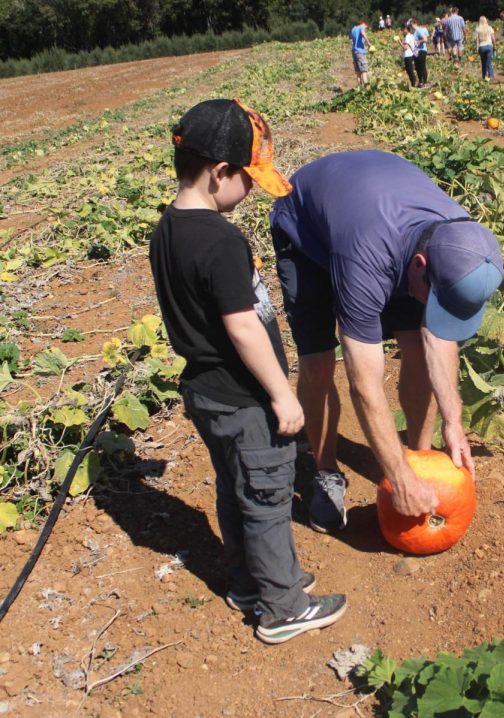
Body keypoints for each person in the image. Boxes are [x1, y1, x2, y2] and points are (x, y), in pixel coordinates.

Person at [148, 99, 347, 645]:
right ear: (219, 173)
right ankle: (282, 604)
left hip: (205, 393)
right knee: (267, 495)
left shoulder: (168, 228)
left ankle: (247, 580)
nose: (254, 190)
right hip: (244, 398)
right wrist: (283, 396)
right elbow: (242, 327)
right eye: (250, 178)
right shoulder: (219, 241)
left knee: (236, 488)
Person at [269, 151, 504, 532]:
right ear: (419, 266)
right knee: (319, 362)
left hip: (376, 217)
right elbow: (364, 384)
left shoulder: (460, 243)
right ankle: (326, 470)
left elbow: (437, 339)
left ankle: (420, 455)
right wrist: (398, 478)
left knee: (415, 347)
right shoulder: (366, 260)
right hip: (307, 231)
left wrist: (454, 422)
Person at [349, 20, 371, 86]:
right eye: (366, 27)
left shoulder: (353, 29)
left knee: (358, 72)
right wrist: (368, 43)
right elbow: (363, 33)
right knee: (364, 70)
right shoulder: (362, 26)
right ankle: (367, 88)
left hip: (354, 51)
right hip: (360, 51)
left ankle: (360, 89)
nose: (365, 28)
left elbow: (351, 38)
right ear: (364, 24)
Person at [475, 15, 496, 81]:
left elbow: (477, 40)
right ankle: (491, 76)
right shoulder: (489, 28)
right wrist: (494, 47)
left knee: (483, 62)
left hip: (482, 47)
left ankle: (484, 76)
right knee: (489, 62)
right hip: (489, 46)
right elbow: (493, 39)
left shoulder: (478, 29)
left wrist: (477, 48)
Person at [401, 20, 419, 87]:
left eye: (403, 29)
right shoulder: (410, 35)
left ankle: (414, 83)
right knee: (410, 70)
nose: (402, 30)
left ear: (406, 29)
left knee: (410, 71)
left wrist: (399, 42)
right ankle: (414, 82)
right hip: (410, 55)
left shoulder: (408, 37)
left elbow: (405, 48)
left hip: (408, 56)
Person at [413, 17, 430, 86]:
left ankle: (425, 83)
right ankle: (420, 82)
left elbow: (425, 39)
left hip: (421, 51)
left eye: (411, 24)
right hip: (417, 51)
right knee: (417, 67)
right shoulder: (415, 31)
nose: (410, 26)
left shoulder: (418, 30)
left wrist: (418, 41)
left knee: (422, 67)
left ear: (415, 23)